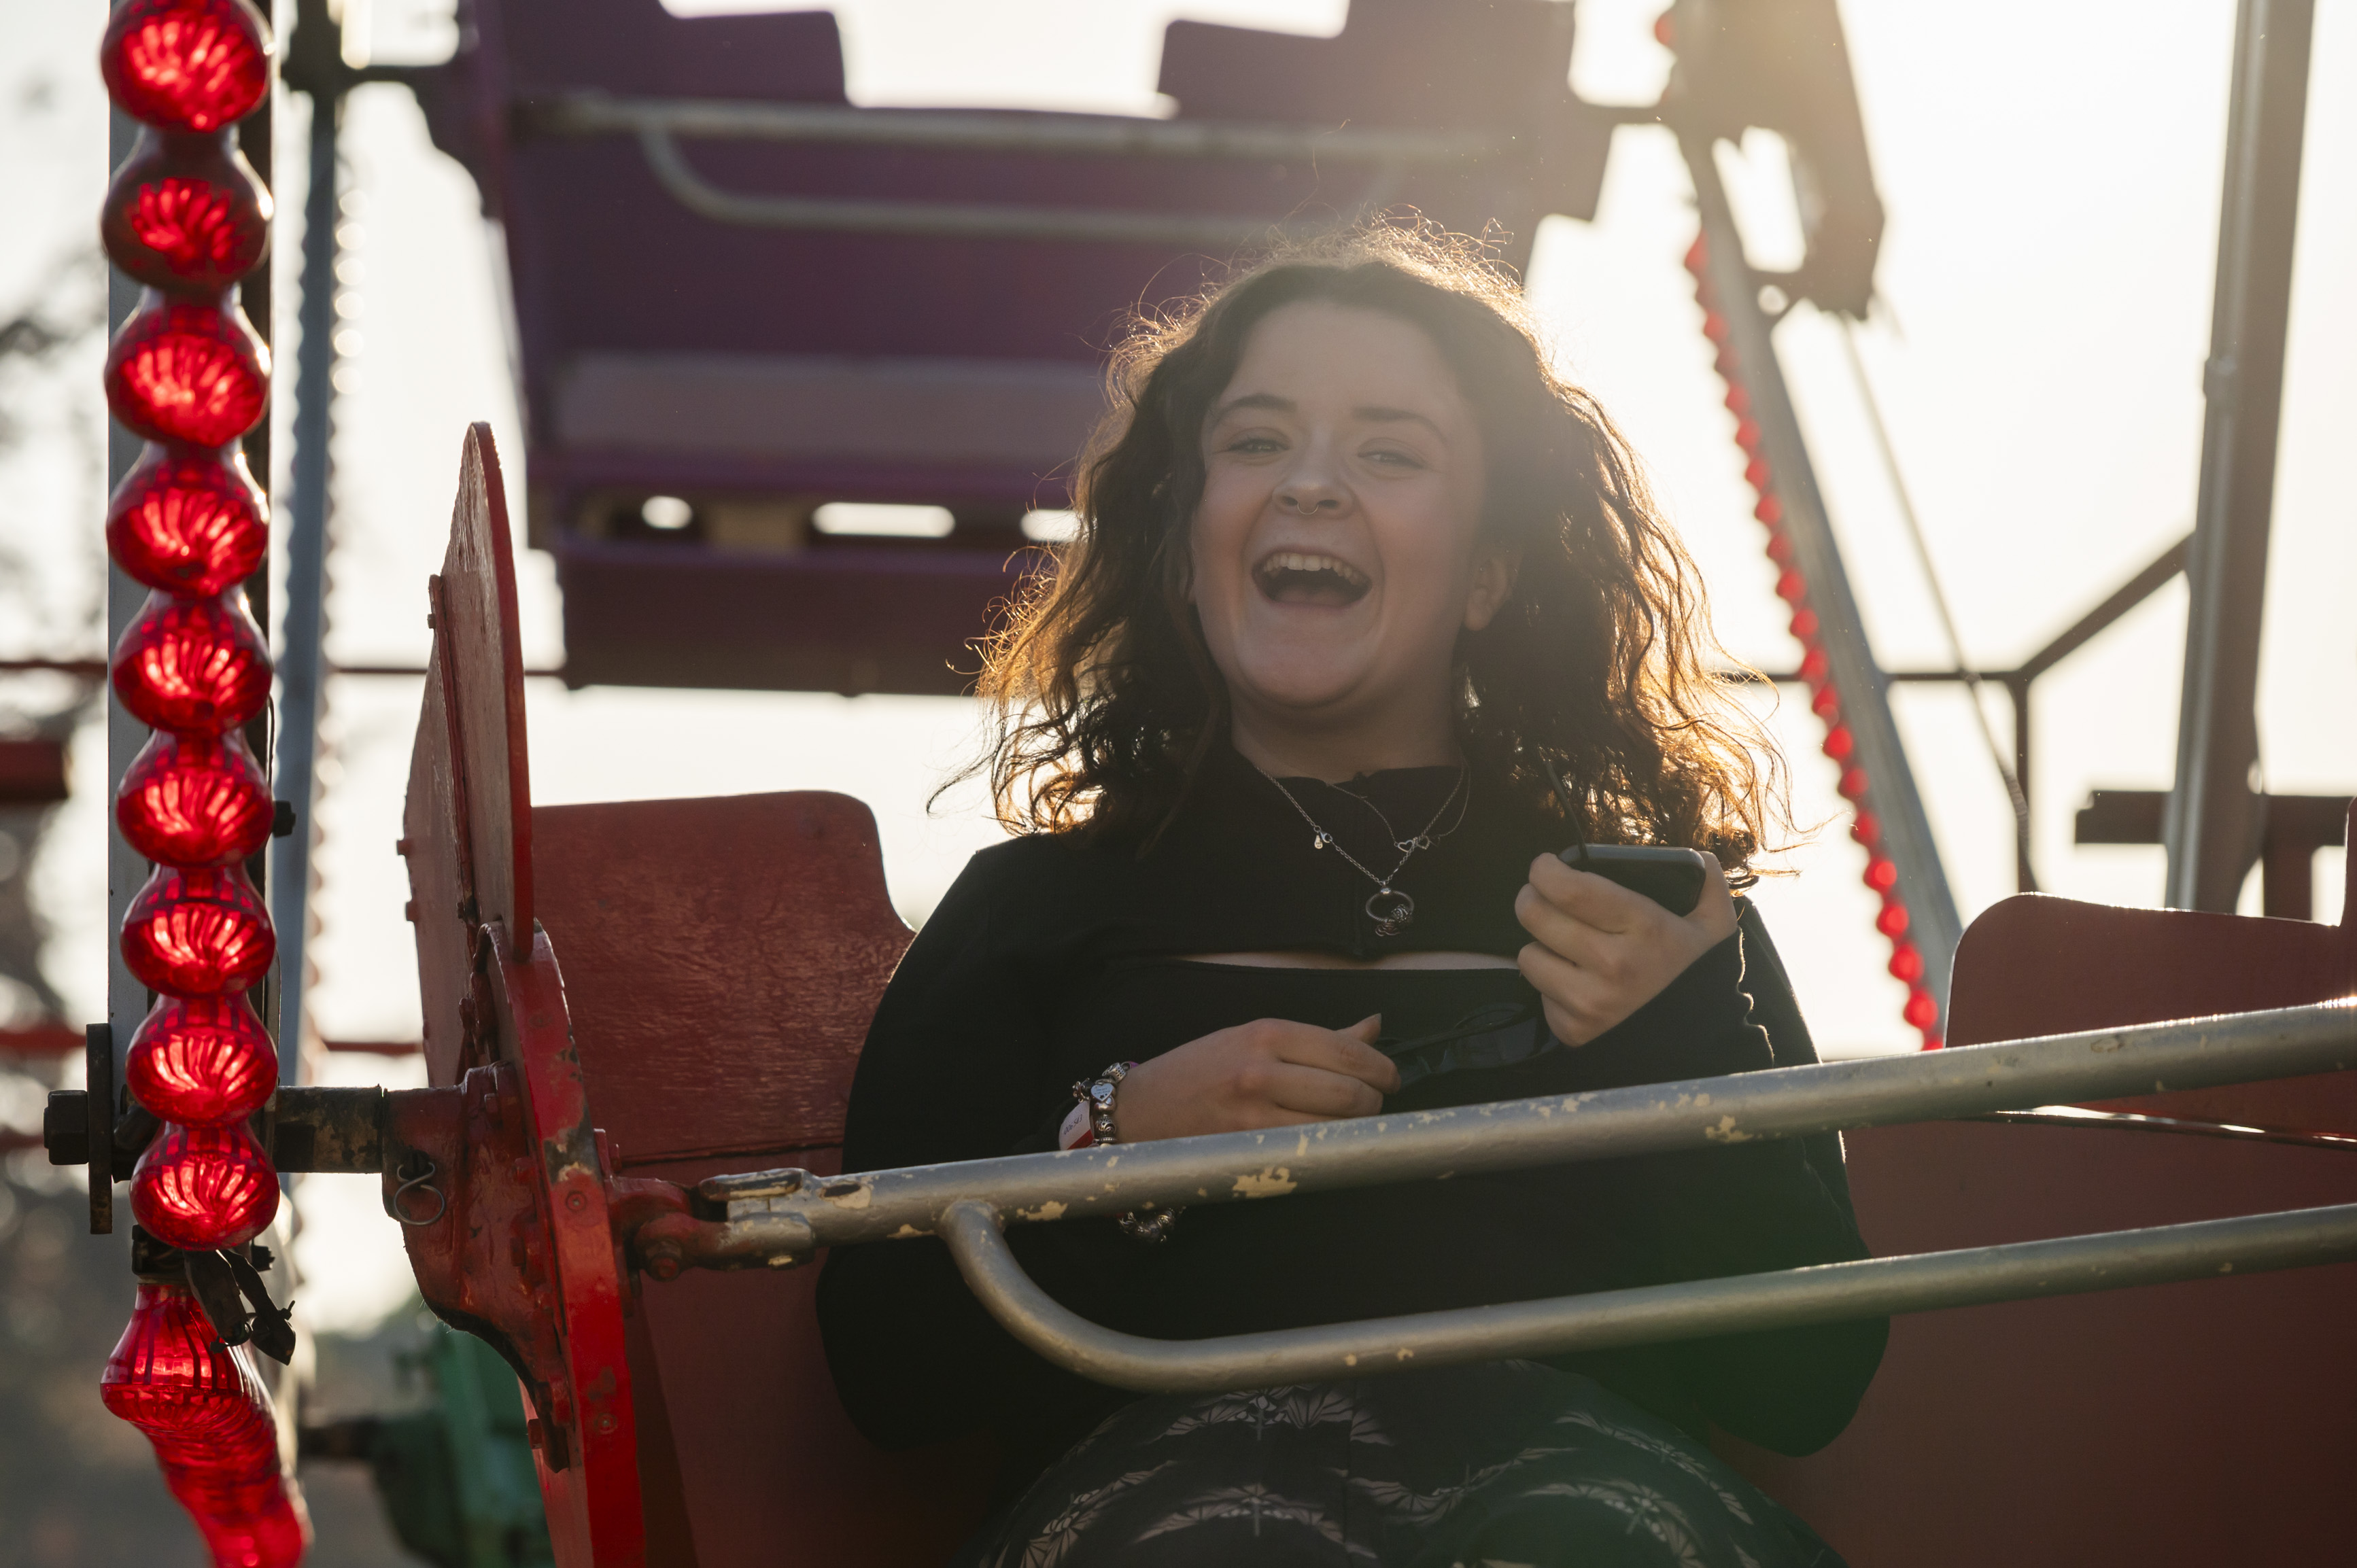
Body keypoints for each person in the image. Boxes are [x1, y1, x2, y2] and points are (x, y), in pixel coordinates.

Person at [816, 225, 1886, 1568]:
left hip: (1584, 1495)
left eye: (1390, 453)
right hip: (1168, 1505)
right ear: (1183, 547)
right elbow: (888, 1377)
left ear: (1490, 571)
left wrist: (1680, 1050)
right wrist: (1118, 1143)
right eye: (1258, 441)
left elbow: (1804, 1383)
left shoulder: (1651, 924)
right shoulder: (1034, 910)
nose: (1311, 483)